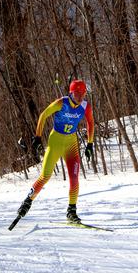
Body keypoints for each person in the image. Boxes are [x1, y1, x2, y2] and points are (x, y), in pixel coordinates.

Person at [17, 79, 94, 223]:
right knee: (45, 176)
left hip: (71, 143)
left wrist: (90, 144)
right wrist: (38, 137)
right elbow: (43, 115)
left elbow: (90, 123)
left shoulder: (85, 106)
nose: (80, 97)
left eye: (83, 94)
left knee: (74, 178)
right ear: (71, 93)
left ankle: (71, 211)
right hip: (56, 142)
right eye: (77, 93)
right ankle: (28, 200)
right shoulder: (62, 103)